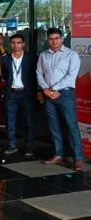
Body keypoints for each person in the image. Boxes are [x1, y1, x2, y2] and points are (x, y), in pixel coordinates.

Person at [36, 28, 85, 171]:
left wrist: (53, 89)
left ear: (62, 39)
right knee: (53, 125)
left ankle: (78, 159)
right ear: (47, 40)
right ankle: (58, 154)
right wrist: (45, 89)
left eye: (57, 38)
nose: (54, 41)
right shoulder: (43, 55)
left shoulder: (72, 54)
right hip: (48, 95)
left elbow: (71, 76)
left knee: (71, 125)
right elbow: (39, 73)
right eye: (51, 39)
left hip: (65, 94)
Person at [1, 34, 37, 157]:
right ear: (10, 44)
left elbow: (35, 76)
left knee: (29, 121)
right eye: (13, 43)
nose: (16, 45)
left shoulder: (32, 58)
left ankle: (29, 146)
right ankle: (12, 145)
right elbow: (5, 75)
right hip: (11, 93)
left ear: (23, 44)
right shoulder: (5, 59)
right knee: (10, 121)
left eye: (18, 42)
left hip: (26, 93)